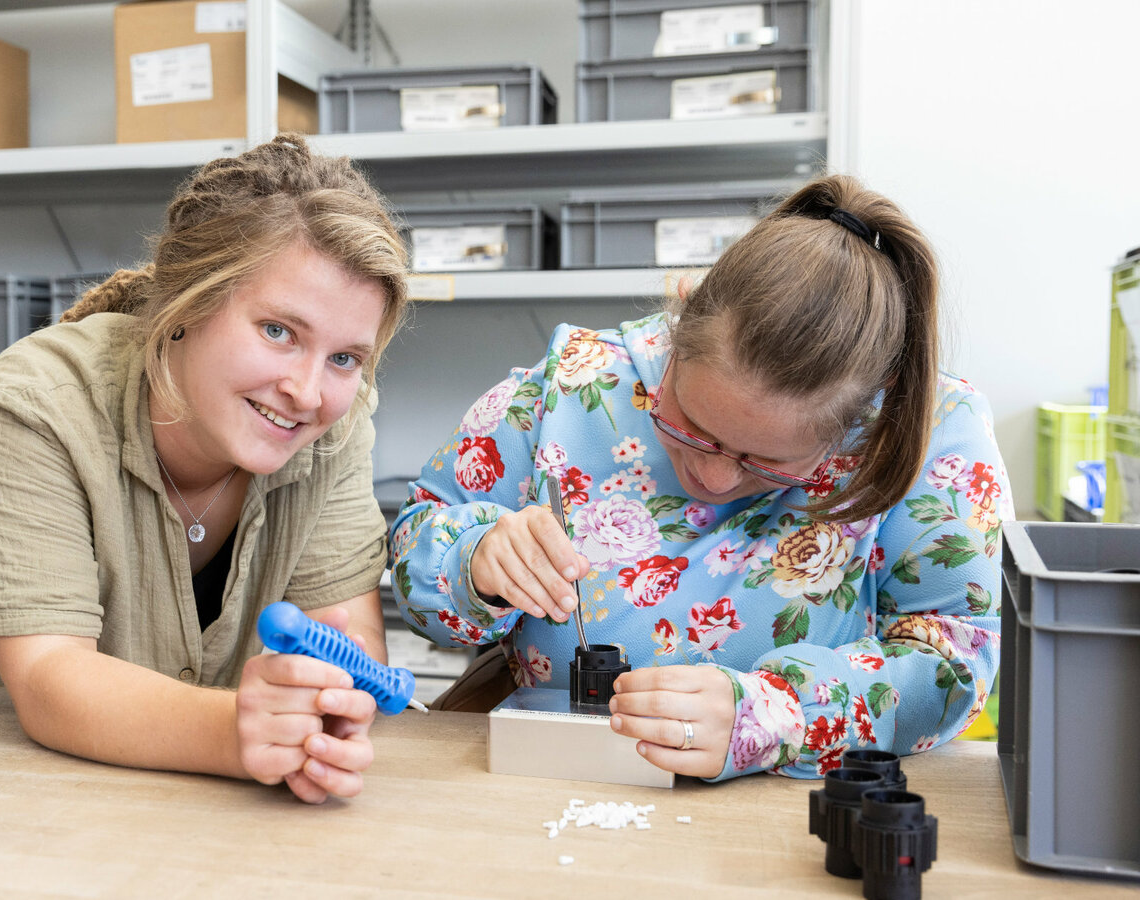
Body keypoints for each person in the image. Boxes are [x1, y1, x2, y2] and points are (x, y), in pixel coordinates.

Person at [0, 134, 411, 803]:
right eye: (279, 332)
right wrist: (238, 731)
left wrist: (324, 721)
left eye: (345, 357)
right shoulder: (36, 400)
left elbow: (347, 637)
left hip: (162, 733)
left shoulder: (335, 426)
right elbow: (51, 680)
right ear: (189, 304)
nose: (310, 392)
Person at [389, 174, 1010, 781]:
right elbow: (414, 542)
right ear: (680, 320)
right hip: (556, 781)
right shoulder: (570, 388)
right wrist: (474, 562)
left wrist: (777, 715)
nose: (712, 477)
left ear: (868, 407)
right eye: (690, 426)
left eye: (763, 461)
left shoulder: (929, 434)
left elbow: (953, 659)